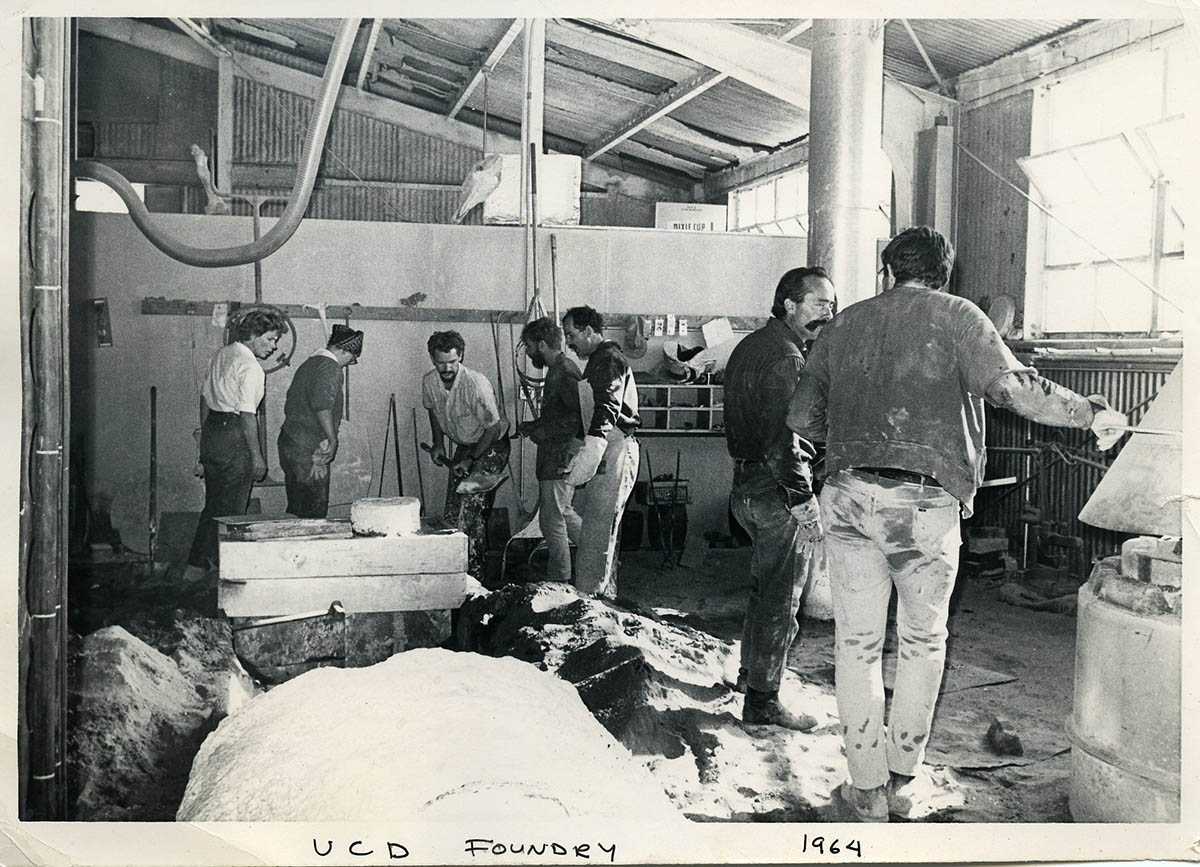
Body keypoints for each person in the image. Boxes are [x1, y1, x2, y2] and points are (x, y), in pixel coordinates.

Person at [787, 226, 1127, 822]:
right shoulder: (959, 318)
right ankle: (901, 778)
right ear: (945, 272)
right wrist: (1089, 412)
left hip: (846, 496)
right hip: (922, 506)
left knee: (857, 645)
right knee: (922, 643)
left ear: (890, 268)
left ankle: (863, 790)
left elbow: (802, 416)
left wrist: (858, 436)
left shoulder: (844, 324)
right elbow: (1016, 390)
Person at [723, 266, 837, 732]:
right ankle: (763, 702)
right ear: (789, 305)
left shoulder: (751, 346)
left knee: (762, 589)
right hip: (776, 494)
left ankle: (750, 674)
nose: (828, 314)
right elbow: (783, 442)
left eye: (831, 305)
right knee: (781, 600)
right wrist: (803, 500)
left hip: (746, 489)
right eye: (819, 304)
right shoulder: (787, 359)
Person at [184, 307, 287, 581]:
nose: (274, 347)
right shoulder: (251, 367)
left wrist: (204, 438)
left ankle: (196, 568)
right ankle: (226, 577)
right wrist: (257, 457)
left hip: (214, 433)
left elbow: (204, 399)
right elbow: (246, 416)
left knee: (214, 506)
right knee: (231, 511)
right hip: (234, 437)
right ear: (253, 335)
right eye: (270, 339)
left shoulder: (221, 354)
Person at [561, 305, 640, 599]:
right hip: (607, 445)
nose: (569, 342)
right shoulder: (597, 359)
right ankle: (599, 596)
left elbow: (607, 405)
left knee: (599, 530)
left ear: (589, 331)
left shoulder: (608, 359)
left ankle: (593, 601)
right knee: (597, 527)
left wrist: (593, 443)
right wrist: (579, 443)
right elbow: (593, 408)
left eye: (571, 334)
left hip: (615, 447)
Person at [422, 330, 509, 582]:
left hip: (491, 444)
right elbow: (433, 412)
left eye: (452, 361)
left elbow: (492, 429)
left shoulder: (476, 384)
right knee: (452, 510)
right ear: (432, 359)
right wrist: (438, 444)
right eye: (441, 362)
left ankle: (474, 579)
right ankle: (453, 573)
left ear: (460, 356)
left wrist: (471, 460)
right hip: (465, 446)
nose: (447, 367)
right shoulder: (429, 381)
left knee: (470, 511)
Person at [517, 318, 585, 582]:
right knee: (563, 513)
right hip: (555, 455)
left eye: (530, 347)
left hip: (560, 456)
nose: (528, 353)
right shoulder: (558, 369)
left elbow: (579, 418)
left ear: (542, 344)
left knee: (551, 520)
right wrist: (534, 425)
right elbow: (562, 414)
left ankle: (559, 580)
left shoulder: (565, 372)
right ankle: (602, 557)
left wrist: (544, 432)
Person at [277, 324, 363, 518]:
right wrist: (332, 440)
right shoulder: (330, 367)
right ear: (342, 350)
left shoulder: (310, 363)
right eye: (351, 358)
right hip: (307, 447)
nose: (350, 363)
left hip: (291, 441)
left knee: (297, 508)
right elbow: (322, 406)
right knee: (313, 511)